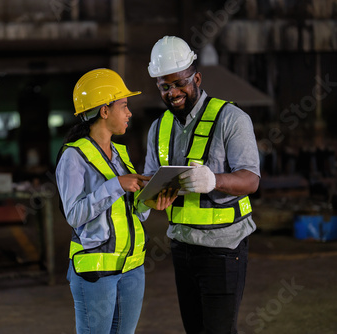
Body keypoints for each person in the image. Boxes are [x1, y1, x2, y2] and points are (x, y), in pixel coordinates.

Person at [144, 36, 260, 334]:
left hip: (223, 247)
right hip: (182, 247)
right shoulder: (158, 128)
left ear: (196, 77)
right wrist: (151, 197)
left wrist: (215, 180)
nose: (172, 92)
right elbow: (151, 180)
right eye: (164, 86)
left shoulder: (231, 118)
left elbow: (251, 180)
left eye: (179, 82)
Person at [56, 68, 177, 334]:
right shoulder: (73, 157)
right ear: (104, 110)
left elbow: (127, 210)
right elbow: (74, 215)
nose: (129, 112)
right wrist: (116, 185)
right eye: (124, 105)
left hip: (131, 266)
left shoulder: (120, 154)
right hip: (96, 271)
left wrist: (148, 202)